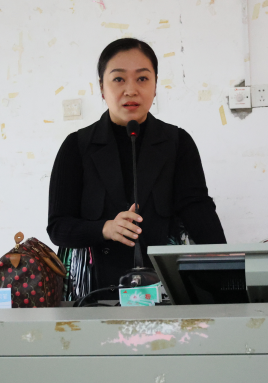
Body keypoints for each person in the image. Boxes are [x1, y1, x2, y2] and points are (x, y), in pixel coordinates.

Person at [47, 38, 227, 296]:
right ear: (102, 87)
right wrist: (105, 228)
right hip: (95, 290)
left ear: (155, 85)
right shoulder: (76, 146)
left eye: (142, 78)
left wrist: (229, 272)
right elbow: (58, 227)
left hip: (164, 288)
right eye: (118, 79)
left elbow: (199, 213)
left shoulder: (177, 143)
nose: (131, 90)